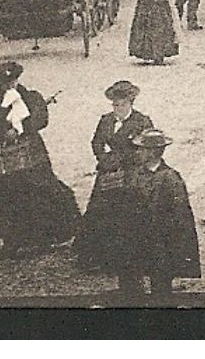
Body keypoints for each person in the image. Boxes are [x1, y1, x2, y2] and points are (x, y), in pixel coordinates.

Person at [0, 60, 79, 255]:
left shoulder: (32, 97)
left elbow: (41, 119)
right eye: (4, 83)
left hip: (31, 150)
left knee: (38, 188)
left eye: (12, 81)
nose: (9, 86)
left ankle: (44, 236)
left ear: (18, 79)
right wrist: (5, 130)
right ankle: (12, 239)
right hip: (6, 152)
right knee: (6, 191)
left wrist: (22, 128)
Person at [76, 81, 153, 272]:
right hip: (108, 170)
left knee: (126, 213)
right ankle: (97, 255)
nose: (117, 109)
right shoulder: (106, 120)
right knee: (99, 210)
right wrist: (103, 158)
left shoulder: (142, 121)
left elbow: (147, 148)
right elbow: (96, 142)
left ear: (130, 103)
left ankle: (127, 257)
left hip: (131, 173)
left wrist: (124, 161)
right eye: (115, 105)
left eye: (122, 105)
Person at [116, 130, 200, 298]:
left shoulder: (170, 178)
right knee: (130, 284)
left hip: (160, 242)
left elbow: (181, 215)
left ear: (152, 152)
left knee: (161, 286)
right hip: (135, 240)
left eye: (141, 149)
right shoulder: (134, 175)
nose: (138, 152)